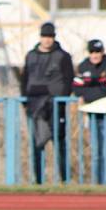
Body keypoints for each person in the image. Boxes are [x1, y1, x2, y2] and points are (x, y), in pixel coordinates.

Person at [20, 22, 74, 184]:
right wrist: (25, 100)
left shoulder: (63, 56)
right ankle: (38, 181)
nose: (47, 40)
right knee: (37, 144)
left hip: (56, 106)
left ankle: (64, 180)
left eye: (50, 37)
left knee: (59, 142)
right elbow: (24, 79)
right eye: (45, 36)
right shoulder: (31, 55)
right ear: (40, 37)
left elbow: (69, 79)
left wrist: (61, 98)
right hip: (35, 106)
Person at [73, 39, 106, 185]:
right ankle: (99, 185)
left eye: (98, 52)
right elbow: (77, 89)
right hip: (94, 115)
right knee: (97, 153)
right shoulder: (84, 66)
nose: (95, 55)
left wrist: (88, 94)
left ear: (102, 52)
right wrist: (99, 91)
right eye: (92, 52)